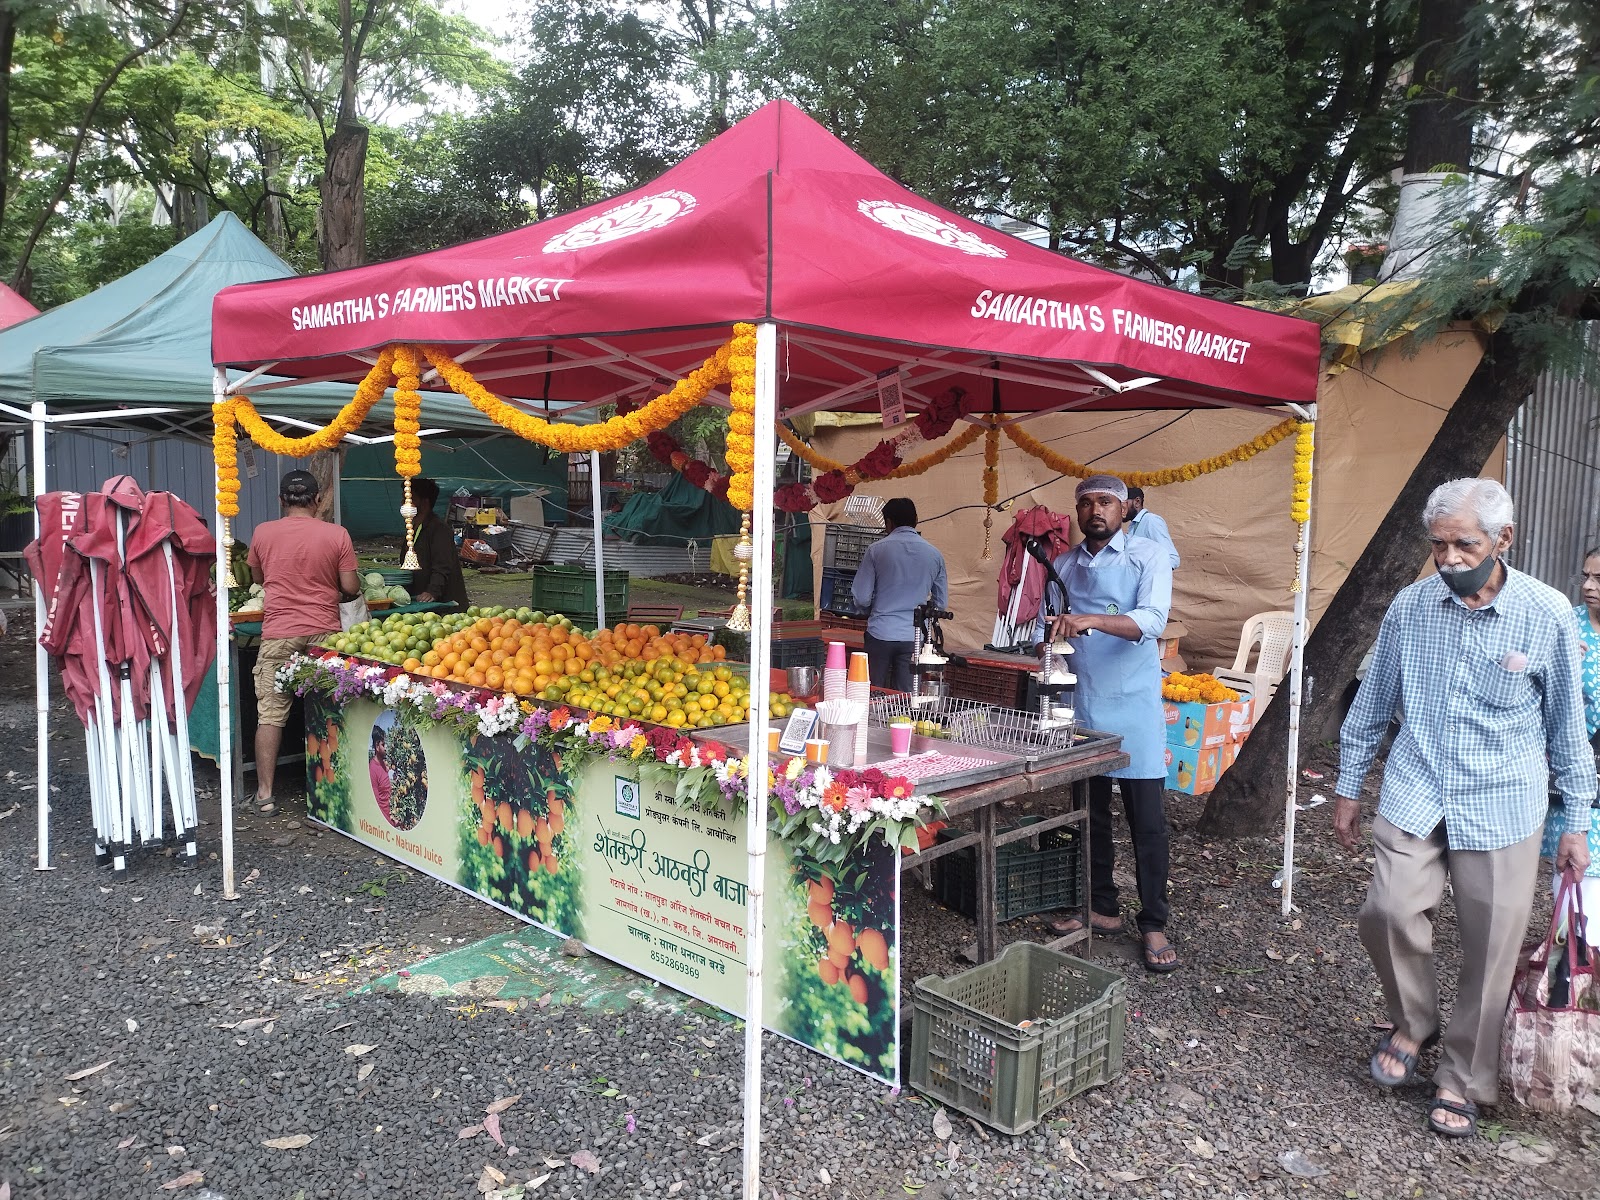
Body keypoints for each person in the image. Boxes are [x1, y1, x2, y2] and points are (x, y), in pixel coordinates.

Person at [1335, 478, 1592, 1139]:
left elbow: (1567, 728)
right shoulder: (1411, 606)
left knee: (1491, 948)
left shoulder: (1547, 613)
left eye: (1465, 545)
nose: (1448, 559)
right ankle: (1414, 1022)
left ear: (1503, 539)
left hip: (1505, 801)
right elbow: (1373, 700)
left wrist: (1578, 820)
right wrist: (1348, 785)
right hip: (1417, 785)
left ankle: (1463, 1076)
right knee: (1386, 910)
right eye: (1438, 545)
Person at [1036, 474, 1178, 972]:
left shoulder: (1148, 555)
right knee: (1089, 814)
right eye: (1086, 503)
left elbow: (1153, 621)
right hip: (1081, 705)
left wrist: (1090, 619)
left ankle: (1154, 921)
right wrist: (1048, 642)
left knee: (1147, 822)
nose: (1095, 511)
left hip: (1134, 705)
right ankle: (1102, 906)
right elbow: (1051, 625)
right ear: (1076, 511)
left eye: (1106, 502)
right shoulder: (1063, 565)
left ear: (1124, 509)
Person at [247, 470, 361, 816]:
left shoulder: (262, 532)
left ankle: (265, 795)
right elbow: (351, 587)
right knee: (331, 710)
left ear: (281, 500)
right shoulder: (337, 534)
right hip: (325, 634)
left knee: (270, 714)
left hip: (279, 633)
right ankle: (332, 794)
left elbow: (257, 577)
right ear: (318, 500)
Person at [1538, 546, 1600, 941]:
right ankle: (1572, 967)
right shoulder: (1565, 626)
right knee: (1577, 876)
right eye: (1586, 577)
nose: (1589, 586)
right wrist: (1559, 665)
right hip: (1577, 775)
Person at [851, 498, 948, 691]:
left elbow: (862, 598)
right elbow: (941, 604)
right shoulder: (934, 554)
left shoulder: (876, 551)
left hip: (880, 632)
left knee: (870, 691)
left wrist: (869, 609)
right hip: (914, 636)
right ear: (916, 520)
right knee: (904, 696)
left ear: (888, 522)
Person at [409, 477, 469, 608]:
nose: (404, 503)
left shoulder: (439, 529)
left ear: (425, 502)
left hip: (444, 605)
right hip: (418, 598)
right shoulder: (414, 527)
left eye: (410, 499)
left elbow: (443, 565)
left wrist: (432, 591)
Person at [1124, 486, 1179, 569]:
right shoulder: (1133, 525)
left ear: (1137, 502)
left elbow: (1172, 559)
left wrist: (1149, 574)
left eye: (1123, 504)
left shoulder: (1151, 520)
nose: (1120, 509)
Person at [369, 727, 393, 823]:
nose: (386, 748)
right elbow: (375, 804)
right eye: (383, 745)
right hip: (383, 823)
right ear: (377, 746)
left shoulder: (383, 764)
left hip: (390, 817)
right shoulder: (372, 769)